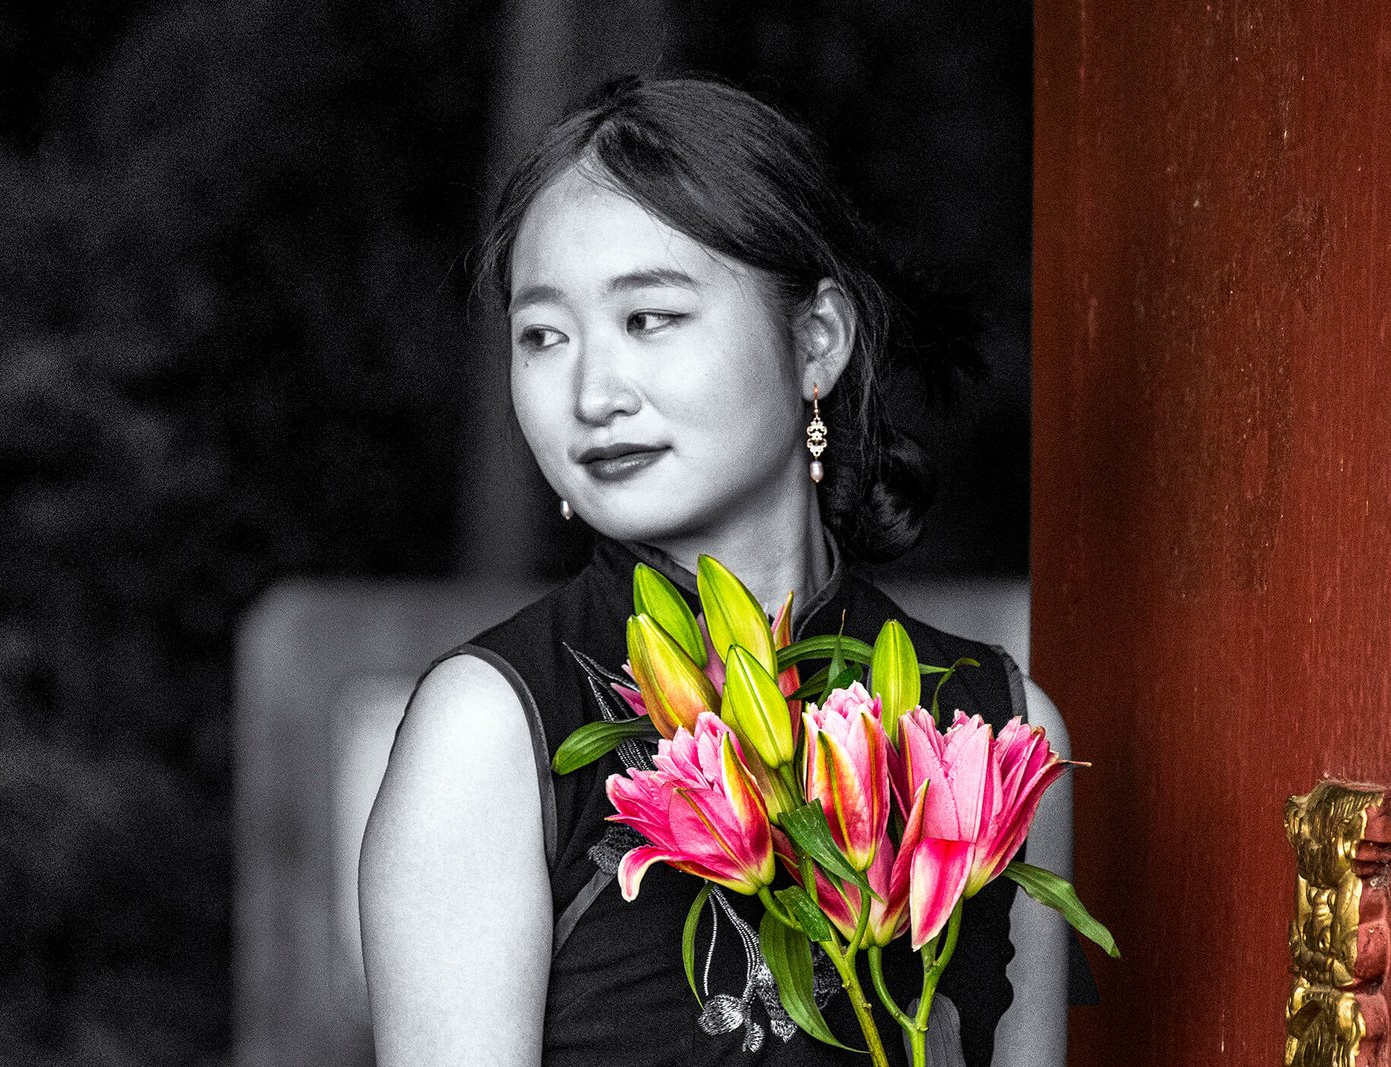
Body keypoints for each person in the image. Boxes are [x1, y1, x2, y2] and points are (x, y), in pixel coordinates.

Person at [359, 75, 1076, 1066]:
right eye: (543, 335)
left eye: (649, 317)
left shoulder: (999, 727)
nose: (592, 393)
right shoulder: (492, 731)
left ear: (816, 340)